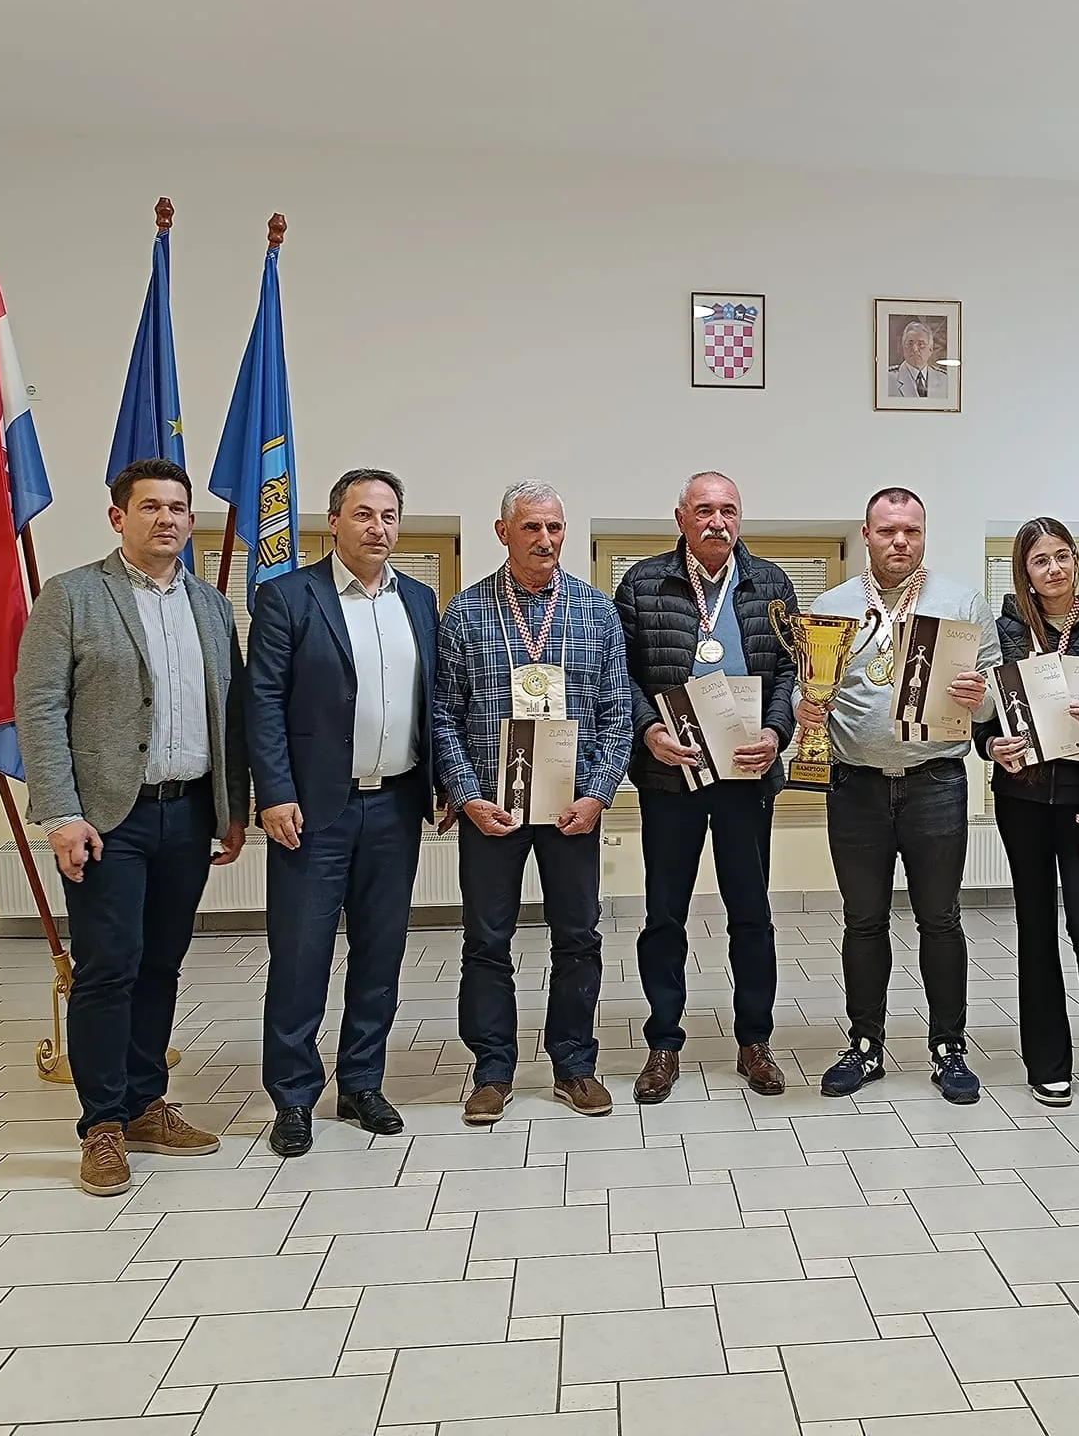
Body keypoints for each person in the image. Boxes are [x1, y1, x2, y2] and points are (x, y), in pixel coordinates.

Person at [13, 458, 248, 1196]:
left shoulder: (212, 606)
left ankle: (146, 1104)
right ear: (119, 518)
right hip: (106, 819)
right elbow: (39, 708)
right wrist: (60, 814)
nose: (167, 519)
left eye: (178, 508)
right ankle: (103, 1124)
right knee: (108, 967)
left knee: (161, 964)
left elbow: (230, 713)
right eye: (151, 507)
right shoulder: (72, 596)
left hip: (189, 812)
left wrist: (231, 808)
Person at [247, 469, 440, 1157]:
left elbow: (433, 701)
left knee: (380, 954)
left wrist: (444, 787)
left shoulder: (419, 600)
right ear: (334, 521)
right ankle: (293, 1095)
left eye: (388, 515)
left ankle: (361, 1083)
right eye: (363, 514)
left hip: (397, 804)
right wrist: (274, 792)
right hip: (313, 811)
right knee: (301, 957)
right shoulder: (288, 597)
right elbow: (262, 702)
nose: (377, 528)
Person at [434, 479, 632, 1122]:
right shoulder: (465, 613)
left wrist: (598, 794)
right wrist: (467, 796)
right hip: (492, 810)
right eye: (531, 528)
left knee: (578, 936)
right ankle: (492, 1070)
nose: (546, 540)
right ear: (503, 533)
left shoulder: (597, 612)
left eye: (555, 527)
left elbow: (617, 717)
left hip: (571, 809)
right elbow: (443, 716)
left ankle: (574, 1064)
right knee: (486, 940)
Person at [800, 488, 1000, 1102]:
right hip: (854, 786)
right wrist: (804, 707)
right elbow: (809, 690)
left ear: (924, 534)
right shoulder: (832, 606)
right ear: (867, 535)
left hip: (934, 783)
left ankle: (949, 1049)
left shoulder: (961, 602)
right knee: (864, 921)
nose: (900, 541)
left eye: (911, 530)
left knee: (940, 920)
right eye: (887, 531)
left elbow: (995, 700)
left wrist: (981, 698)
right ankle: (865, 1045)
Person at [614, 472, 799, 1103]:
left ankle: (755, 1042)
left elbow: (790, 672)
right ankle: (664, 1042)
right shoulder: (643, 583)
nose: (717, 521)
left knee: (751, 912)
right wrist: (648, 732)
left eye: (728, 510)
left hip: (747, 772)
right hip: (672, 774)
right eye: (704, 510)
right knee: (664, 913)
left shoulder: (771, 583)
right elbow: (622, 675)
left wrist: (776, 732)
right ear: (681, 518)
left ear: (740, 517)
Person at [973, 519, 1079, 1106]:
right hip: (1022, 798)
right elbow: (983, 714)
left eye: (1062, 556)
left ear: (1076, 561)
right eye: (1041, 561)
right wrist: (991, 744)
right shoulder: (1005, 632)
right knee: (1034, 925)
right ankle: (1046, 1060)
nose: (1054, 569)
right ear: (1025, 572)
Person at [885, 321, 949, 399]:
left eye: (921, 344)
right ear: (903, 348)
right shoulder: (887, 379)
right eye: (910, 344)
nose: (915, 349)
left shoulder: (945, 380)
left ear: (930, 350)